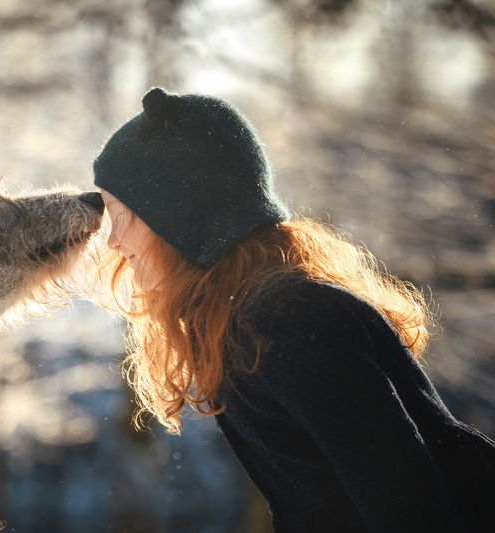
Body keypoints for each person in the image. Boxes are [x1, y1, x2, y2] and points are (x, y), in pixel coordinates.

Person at [92, 87, 495, 533]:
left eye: (121, 214)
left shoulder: (289, 321)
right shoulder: (240, 321)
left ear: (179, 216)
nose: (113, 240)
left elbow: (410, 510)